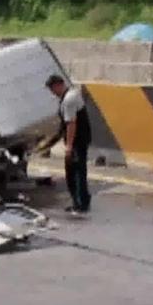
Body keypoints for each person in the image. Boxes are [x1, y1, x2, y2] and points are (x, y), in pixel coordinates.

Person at [45, 74, 92, 215]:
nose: (52, 93)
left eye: (52, 89)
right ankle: (82, 201)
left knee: (74, 173)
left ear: (58, 85)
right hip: (80, 140)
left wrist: (69, 147)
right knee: (79, 171)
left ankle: (80, 204)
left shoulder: (69, 100)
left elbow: (71, 123)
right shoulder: (71, 95)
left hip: (77, 141)